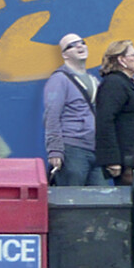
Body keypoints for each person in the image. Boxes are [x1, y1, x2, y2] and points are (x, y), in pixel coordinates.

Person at [43, 33, 106, 186]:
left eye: (82, 42)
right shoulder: (59, 79)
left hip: (95, 149)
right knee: (71, 201)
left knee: (101, 201)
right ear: (64, 55)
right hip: (72, 149)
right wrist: (55, 150)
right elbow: (51, 115)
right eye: (72, 45)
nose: (79, 46)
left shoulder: (94, 80)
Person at [95, 40, 134, 184]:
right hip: (127, 159)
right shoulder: (113, 83)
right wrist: (112, 160)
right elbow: (104, 121)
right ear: (121, 60)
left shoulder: (128, 83)